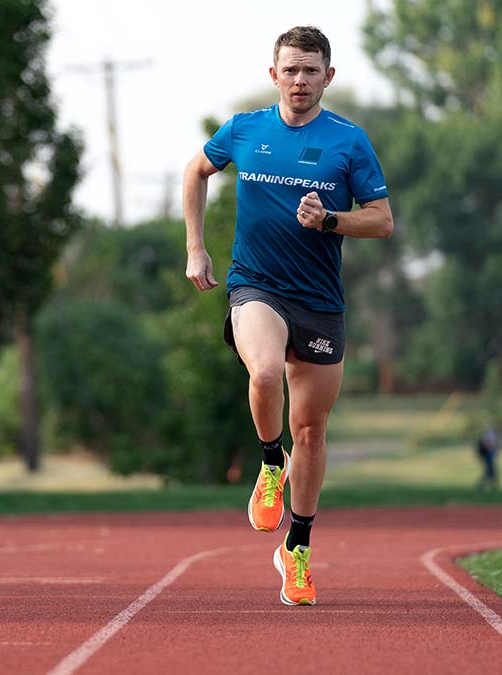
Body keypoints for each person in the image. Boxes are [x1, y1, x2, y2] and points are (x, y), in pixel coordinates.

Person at [182, 25, 393, 606]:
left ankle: (296, 549)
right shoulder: (244, 130)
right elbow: (195, 172)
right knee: (265, 373)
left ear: (329, 76)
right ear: (273, 74)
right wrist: (196, 247)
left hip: (319, 302)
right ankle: (269, 463)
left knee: (313, 431)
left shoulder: (349, 142)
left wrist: (330, 220)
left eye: (311, 70)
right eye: (290, 69)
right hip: (257, 286)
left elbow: (381, 220)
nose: (300, 80)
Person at [476, 425, 502, 490]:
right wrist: (492, 450)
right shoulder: (490, 434)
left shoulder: (493, 435)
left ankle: (490, 485)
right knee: (490, 470)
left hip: (489, 454)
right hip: (488, 454)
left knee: (491, 471)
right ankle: (484, 485)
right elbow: (487, 444)